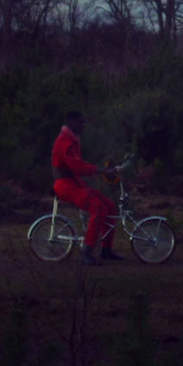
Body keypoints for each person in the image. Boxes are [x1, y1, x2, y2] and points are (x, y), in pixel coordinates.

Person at [51, 110, 122, 265]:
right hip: (66, 186)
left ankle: (106, 250)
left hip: (74, 184)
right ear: (71, 122)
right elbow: (77, 166)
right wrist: (101, 170)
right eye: (80, 122)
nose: (83, 125)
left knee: (109, 206)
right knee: (98, 208)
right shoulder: (65, 141)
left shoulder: (71, 139)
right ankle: (86, 252)